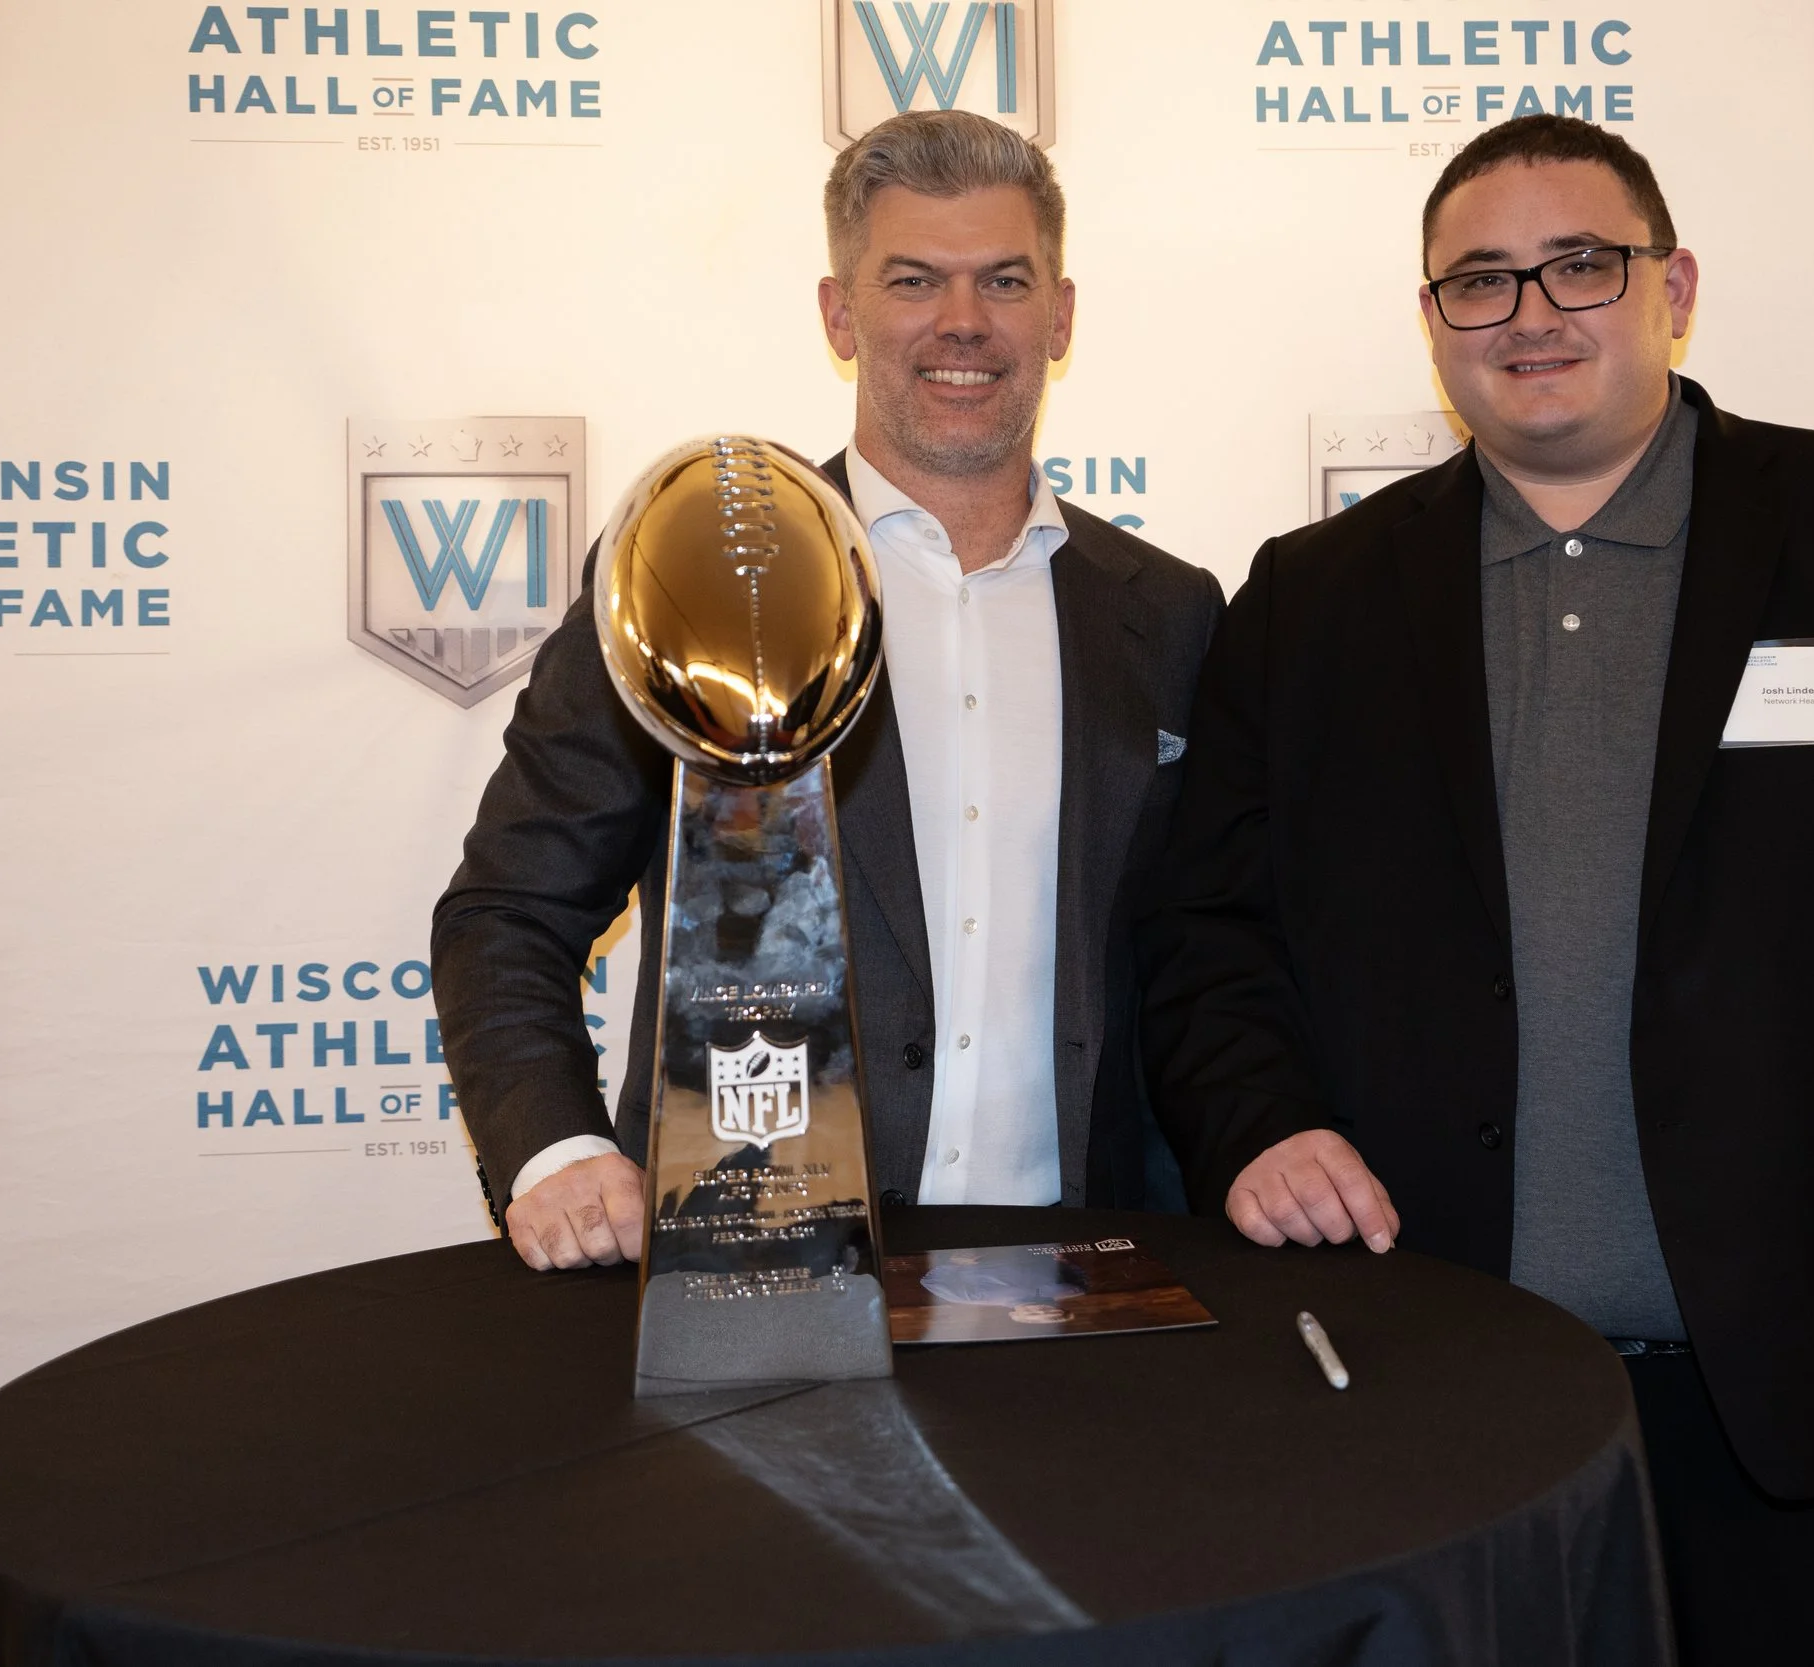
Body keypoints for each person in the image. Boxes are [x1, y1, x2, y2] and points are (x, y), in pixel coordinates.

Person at [1138, 115, 1814, 1665]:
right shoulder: (1311, 599)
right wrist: (1260, 1119)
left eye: (1581, 266)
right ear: (1431, 326)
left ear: (1674, 285)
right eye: (1480, 280)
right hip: (1422, 1396)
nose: (1532, 313)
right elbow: (1207, 931)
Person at [435, 109, 1224, 1272]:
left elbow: (1206, 958)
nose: (963, 321)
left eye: (1004, 280)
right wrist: (554, 1147)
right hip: (764, 1280)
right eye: (913, 279)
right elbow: (507, 906)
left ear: (1059, 316)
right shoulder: (688, 568)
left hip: (1084, 1291)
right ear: (839, 313)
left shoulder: (1169, 613)